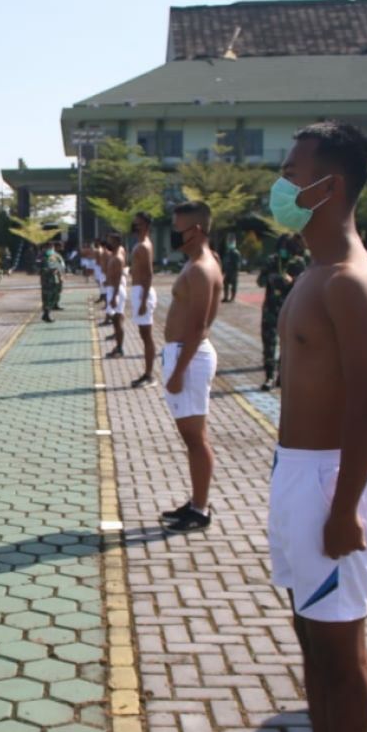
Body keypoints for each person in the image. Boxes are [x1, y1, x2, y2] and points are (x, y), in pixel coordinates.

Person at [240, 122, 367, 732]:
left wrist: (344, 508)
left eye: (291, 170)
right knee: (310, 633)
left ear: (328, 186)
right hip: (300, 474)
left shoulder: (349, 283)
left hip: (333, 480)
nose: (281, 182)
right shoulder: (314, 274)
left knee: (340, 643)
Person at [158, 201, 223, 533]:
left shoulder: (201, 268)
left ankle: (199, 509)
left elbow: (199, 326)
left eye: (177, 226)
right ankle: (196, 501)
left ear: (195, 230)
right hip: (184, 353)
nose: (173, 232)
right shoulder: (200, 263)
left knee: (195, 437)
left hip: (190, 356)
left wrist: (180, 370)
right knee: (192, 436)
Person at [258, 233, 308, 391]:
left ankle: (282, 375)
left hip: (290, 310)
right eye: (282, 247)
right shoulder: (272, 260)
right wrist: (272, 277)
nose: (284, 251)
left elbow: (305, 284)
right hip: (270, 309)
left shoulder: (299, 262)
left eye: (287, 248)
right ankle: (269, 377)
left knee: (287, 344)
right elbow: (260, 280)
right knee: (269, 344)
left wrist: (292, 280)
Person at [129, 213, 158, 386]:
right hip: (138, 290)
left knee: (147, 335)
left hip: (143, 292)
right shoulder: (139, 244)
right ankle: (147, 373)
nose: (135, 226)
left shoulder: (145, 246)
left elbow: (148, 274)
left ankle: (149, 375)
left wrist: (143, 300)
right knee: (143, 334)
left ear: (146, 225)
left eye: (139, 224)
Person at [103, 233, 127, 357]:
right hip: (112, 288)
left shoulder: (118, 257)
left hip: (116, 290)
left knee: (118, 320)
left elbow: (118, 278)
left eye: (110, 241)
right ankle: (118, 346)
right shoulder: (113, 255)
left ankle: (120, 348)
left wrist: (114, 297)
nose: (108, 243)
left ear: (117, 242)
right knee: (116, 320)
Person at [39, 239, 62, 323]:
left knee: (53, 296)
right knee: (47, 297)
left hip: (53, 278)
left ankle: (47, 313)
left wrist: (57, 271)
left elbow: (57, 264)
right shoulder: (43, 255)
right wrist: (50, 270)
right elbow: (41, 267)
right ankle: (46, 314)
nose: (52, 249)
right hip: (47, 279)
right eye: (51, 247)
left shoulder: (52, 255)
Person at [222, 233, 242, 303]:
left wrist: (235, 271)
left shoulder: (236, 253)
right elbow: (225, 262)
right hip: (228, 271)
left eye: (231, 241)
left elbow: (237, 264)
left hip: (233, 272)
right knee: (225, 283)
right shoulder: (227, 252)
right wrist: (224, 270)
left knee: (234, 285)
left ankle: (232, 298)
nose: (229, 242)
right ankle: (226, 297)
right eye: (228, 241)